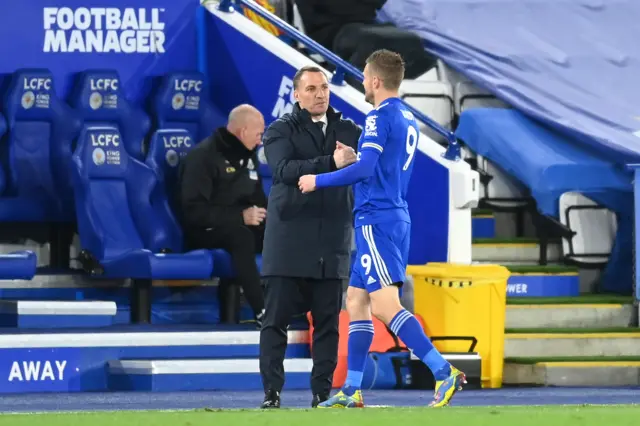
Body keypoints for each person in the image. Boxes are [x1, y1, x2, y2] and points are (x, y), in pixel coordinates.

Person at [298, 50, 465, 408]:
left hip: (377, 218)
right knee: (356, 300)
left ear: (375, 80)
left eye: (363, 76)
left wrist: (318, 179)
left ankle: (442, 371)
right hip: (391, 213)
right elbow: (378, 165)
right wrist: (356, 160)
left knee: (386, 305)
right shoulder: (407, 115)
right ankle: (352, 389)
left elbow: (364, 171)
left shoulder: (377, 117)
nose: (361, 81)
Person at [259, 65, 361, 409]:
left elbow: (370, 163)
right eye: (312, 88)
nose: (320, 94)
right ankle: (272, 394)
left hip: (332, 239)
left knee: (329, 324)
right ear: (297, 94)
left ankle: (322, 394)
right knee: (274, 323)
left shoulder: (348, 129)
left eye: (325, 87)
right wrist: (331, 162)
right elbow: (283, 170)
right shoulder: (279, 130)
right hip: (288, 240)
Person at [178, 104, 267, 326]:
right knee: (241, 235)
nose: (260, 141)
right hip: (204, 232)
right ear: (243, 132)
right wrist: (240, 216)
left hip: (239, 226)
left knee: (285, 234)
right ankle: (262, 311)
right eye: (258, 134)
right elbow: (193, 212)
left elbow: (259, 202)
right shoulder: (202, 157)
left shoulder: (249, 157)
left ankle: (297, 306)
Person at [295, 0, 436, 88]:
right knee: (369, 44)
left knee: (422, 49)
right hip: (332, 30)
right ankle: (351, 95)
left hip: (365, 25)